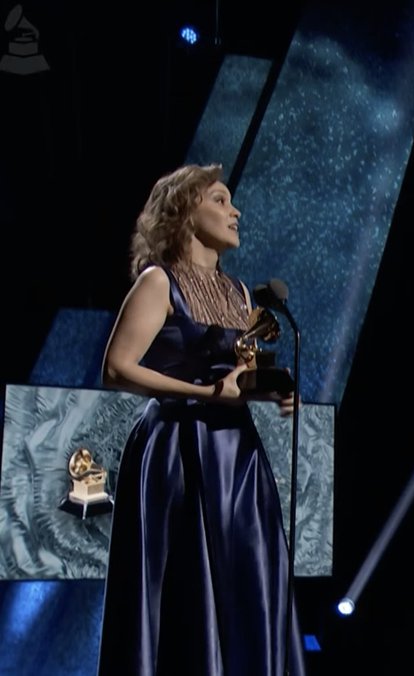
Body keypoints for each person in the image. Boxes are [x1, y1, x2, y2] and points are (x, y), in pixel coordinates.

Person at [96, 164, 305, 675]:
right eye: (219, 200)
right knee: (187, 580)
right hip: (177, 449)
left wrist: (273, 389)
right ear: (185, 210)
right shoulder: (158, 281)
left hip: (235, 455)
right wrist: (204, 392)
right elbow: (117, 368)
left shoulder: (238, 293)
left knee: (246, 577)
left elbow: (241, 373)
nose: (234, 211)